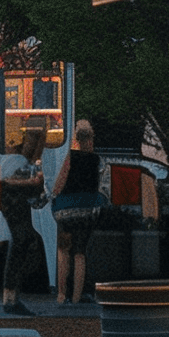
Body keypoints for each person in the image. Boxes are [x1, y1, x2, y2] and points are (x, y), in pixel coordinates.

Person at [51, 121, 105, 306]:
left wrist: (52, 195)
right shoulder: (95, 160)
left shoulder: (69, 157)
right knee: (80, 253)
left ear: (75, 138)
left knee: (63, 251)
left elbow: (61, 181)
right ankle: (76, 297)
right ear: (90, 139)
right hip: (87, 211)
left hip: (66, 210)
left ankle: (61, 295)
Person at [0, 128, 47, 318]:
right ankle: (11, 299)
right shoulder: (18, 162)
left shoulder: (16, 161)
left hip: (14, 207)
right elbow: (8, 181)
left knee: (20, 245)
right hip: (16, 207)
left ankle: (11, 297)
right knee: (21, 245)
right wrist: (33, 183)